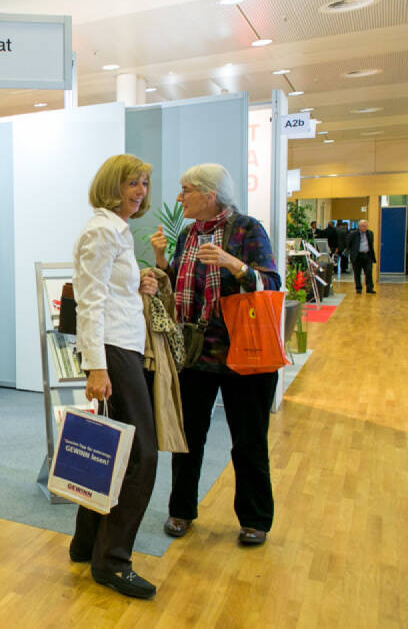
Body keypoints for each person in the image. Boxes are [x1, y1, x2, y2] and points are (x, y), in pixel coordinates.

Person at [150, 163, 282, 548]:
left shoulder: (247, 229)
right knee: (188, 438)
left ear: (209, 195)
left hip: (246, 356)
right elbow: (177, 286)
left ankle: (255, 520)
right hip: (196, 354)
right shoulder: (188, 235)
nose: (179, 198)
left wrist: (234, 264)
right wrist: (161, 261)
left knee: (249, 442)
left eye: (186, 190)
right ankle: (181, 510)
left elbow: (271, 283)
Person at [69, 154, 160, 600]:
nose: (140, 191)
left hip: (123, 347)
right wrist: (97, 366)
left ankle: (87, 545)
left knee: (115, 452)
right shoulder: (103, 230)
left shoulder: (117, 230)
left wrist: (139, 282)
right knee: (141, 456)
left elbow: (110, 290)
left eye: (143, 183)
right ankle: (112, 562)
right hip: (114, 353)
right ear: (112, 185)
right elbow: (89, 301)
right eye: (131, 183)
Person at [346, 219, 376, 294]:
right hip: (357, 256)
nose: (364, 228)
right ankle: (358, 288)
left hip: (367, 255)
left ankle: (369, 288)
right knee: (357, 273)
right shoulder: (353, 234)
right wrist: (352, 252)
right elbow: (348, 244)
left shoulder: (370, 233)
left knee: (369, 272)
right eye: (363, 226)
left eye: (366, 226)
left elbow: (371, 244)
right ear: (359, 226)